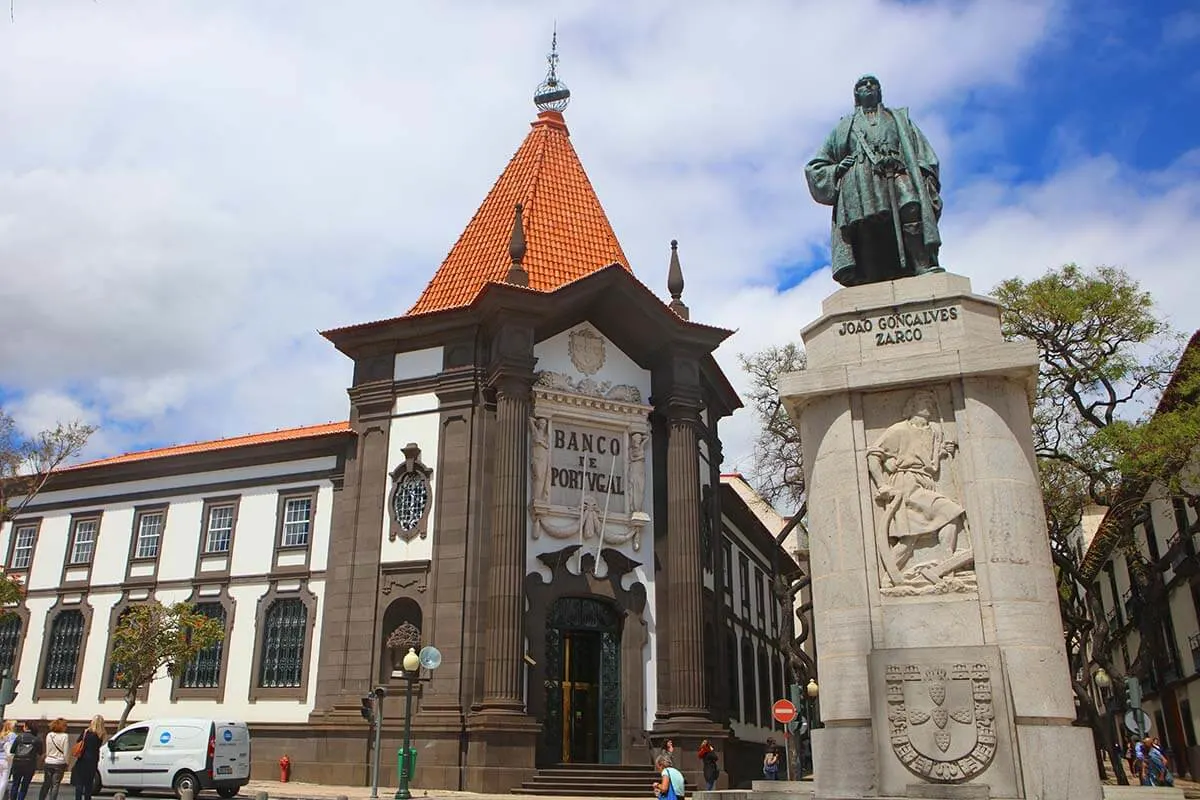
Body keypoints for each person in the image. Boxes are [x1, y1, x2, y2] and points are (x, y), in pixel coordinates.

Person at [805, 75, 943, 287]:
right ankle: (871, 275)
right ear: (857, 95)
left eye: (873, 84)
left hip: (897, 172)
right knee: (866, 225)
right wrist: (837, 169)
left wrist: (916, 169)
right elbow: (815, 166)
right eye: (863, 85)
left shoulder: (898, 119)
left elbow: (923, 153)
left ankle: (920, 264)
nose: (869, 87)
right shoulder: (844, 127)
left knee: (911, 205)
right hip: (859, 182)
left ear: (879, 91)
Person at [866, 391, 968, 586]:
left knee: (911, 539)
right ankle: (942, 571)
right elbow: (873, 455)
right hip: (906, 484)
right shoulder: (899, 430)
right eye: (923, 401)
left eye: (931, 400)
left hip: (926, 481)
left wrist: (944, 452)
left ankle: (938, 570)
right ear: (912, 406)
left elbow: (932, 462)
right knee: (942, 518)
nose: (928, 404)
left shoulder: (936, 430)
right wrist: (881, 484)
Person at [69, 717, 105, 800]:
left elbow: (78, 741)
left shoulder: (86, 732)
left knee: (79, 783)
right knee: (88, 784)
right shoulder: (100, 735)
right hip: (93, 761)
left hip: (83, 759)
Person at [8, 722, 42, 800]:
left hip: (17, 762)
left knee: (15, 784)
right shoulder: (37, 739)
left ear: (26, 727)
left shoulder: (19, 737)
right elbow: (40, 752)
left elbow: (12, 750)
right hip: (30, 764)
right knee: (25, 785)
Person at [39, 719, 70, 800]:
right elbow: (65, 752)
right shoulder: (65, 736)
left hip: (49, 761)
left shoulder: (49, 735)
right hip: (59, 763)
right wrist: (67, 762)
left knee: (46, 783)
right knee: (55, 785)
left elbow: (47, 749)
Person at [0, 721, 16, 800]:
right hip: (6, 760)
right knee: (4, 780)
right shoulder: (12, 735)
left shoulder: (2, 735)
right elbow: (13, 748)